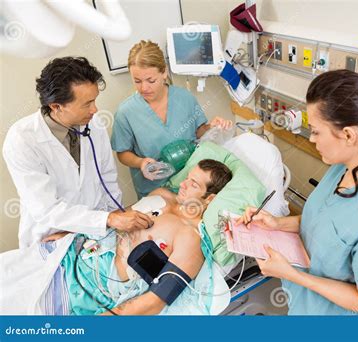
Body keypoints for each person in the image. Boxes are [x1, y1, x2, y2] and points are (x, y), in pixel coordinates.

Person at [239, 69, 358, 315]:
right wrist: (277, 223)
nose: (312, 139)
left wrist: (294, 275)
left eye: (315, 131)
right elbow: (326, 223)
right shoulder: (342, 169)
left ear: (348, 135)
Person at [44, 159, 232, 315]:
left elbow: (157, 299)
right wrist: (71, 232)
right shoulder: (161, 194)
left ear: (209, 199)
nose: (183, 184)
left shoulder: (191, 238)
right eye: (187, 178)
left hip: (90, 285)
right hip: (76, 251)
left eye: (194, 184)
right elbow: (119, 217)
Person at [2, 57, 153, 248]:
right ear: (56, 106)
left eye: (95, 100)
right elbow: (46, 209)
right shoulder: (23, 139)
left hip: (98, 234)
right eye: (87, 103)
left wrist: (116, 224)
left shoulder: (94, 124)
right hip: (52, 237)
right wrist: (107, 220)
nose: (95, 109)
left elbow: (108, 179)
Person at [111, 40, 233, 199]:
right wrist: (139, 163)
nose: (144, 88)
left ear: (164, 72)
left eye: (151, 80)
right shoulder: (126, 112)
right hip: (153, 190)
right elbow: (123, 152)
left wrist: (213, 127)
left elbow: (199, 132)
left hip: (189, 186)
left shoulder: (185, 98)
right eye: (137, 81)